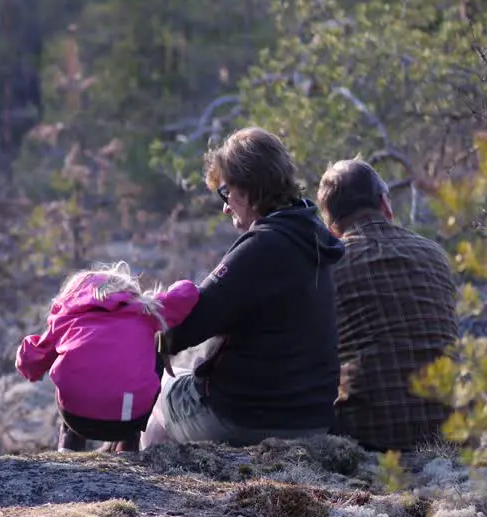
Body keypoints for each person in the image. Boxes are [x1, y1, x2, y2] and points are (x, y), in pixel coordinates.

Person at [141, 127, 345, 448]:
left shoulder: (262, 246)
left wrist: (156, 337)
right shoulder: (315, 238)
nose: (225, 207)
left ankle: (149, 487)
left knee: (157, 398)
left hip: (245, 418)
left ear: (249, 188)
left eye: (226, 193)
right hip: (313, 419)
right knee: (178, 378)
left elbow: (187, 327)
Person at [316, 159, 459, 452]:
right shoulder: (435, 254)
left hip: (368, 434)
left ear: (330, 228)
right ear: (385, 203)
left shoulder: (327, 266)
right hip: (451, 430)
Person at [15, 261, 198, 453]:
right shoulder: (146, 311)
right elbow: (187, 293)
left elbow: (31, 362)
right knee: (154, 353)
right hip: (126, 419)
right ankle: (128, 443)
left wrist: (28, 353)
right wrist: (177, 287)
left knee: (69, 368)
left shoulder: (67, 316)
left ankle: (69, 447)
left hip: (76, 417)